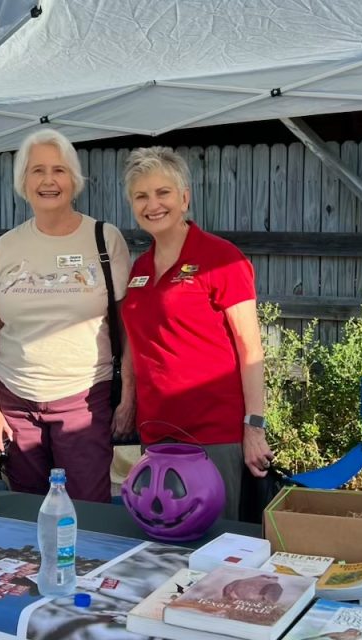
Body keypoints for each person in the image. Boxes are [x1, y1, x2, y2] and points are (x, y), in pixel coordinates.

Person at [0, 129, 133, 503]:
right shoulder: (6, 246)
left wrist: (129, 395)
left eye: (59, 170)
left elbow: (128, 327)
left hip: (84, 402)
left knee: (89, 512)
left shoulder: (104, 239)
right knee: (28, 511)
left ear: (74, 180)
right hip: (16, 403)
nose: (49, 181)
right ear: (22, 182)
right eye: (37, 171)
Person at [117, 146, 274, 520]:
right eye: (141, 196)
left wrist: (255, 427)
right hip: (157, 432)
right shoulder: (139, 268)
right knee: (163, 536)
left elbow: (250, 349)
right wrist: (127, 400)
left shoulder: (223, 258)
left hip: (213, 434)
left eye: (163, 193)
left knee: (217, 544)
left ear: (184, 198)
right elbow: (134, 343)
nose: (152, 204)